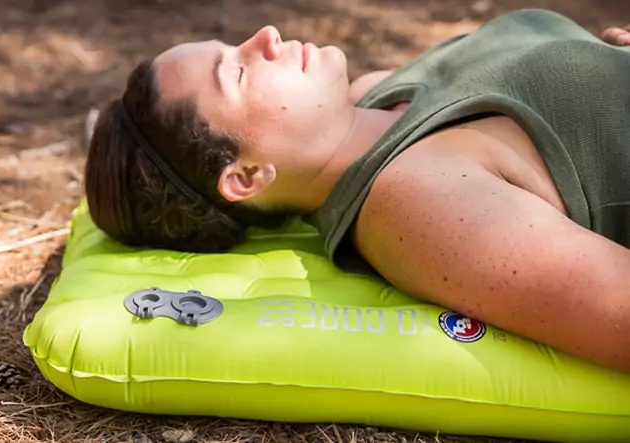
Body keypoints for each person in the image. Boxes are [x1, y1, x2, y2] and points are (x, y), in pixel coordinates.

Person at [85, 9, 630, 373]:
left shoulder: (377, 95)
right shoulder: (415, 204)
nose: (265, 38)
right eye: (239, 71)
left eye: (236, 45)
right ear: (247, 177)